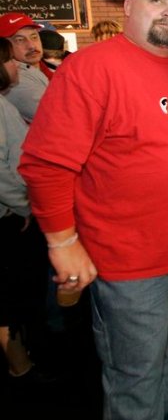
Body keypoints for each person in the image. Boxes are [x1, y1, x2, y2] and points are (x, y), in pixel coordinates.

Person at [19, 0, 168, 420]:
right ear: (128, 7)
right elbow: (46, 163)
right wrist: (63, 243)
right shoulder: (91, 68)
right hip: (131, 268)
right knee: (136, 382)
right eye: (157, 0)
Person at [0, 37, 49, 386]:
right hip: (9, 219)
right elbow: (4, 170)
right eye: (9, 59)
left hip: (12, 211)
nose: (16, 65)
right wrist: (24, 204)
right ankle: (21, 368)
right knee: (11, 298)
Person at [0, 12, 52, 123]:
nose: (32, 46)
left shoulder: (50, 69)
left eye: (34, 37)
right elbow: (60, 117)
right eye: (20, 40)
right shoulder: (15, 81)